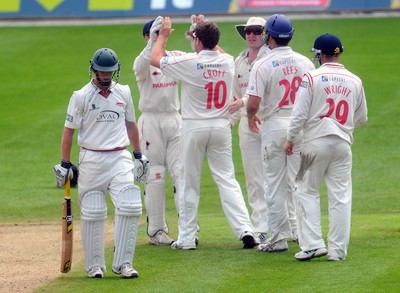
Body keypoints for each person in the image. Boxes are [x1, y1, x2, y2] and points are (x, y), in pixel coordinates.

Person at [150, 17, 257, 250]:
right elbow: (216, 50)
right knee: (227, 180)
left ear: (197, 41)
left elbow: (155, 59)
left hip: (194, 126)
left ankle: (187, 238)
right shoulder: (227, 61)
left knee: (189, 182)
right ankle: (246, 230)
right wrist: (202, 29)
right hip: (220, 127)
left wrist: (163, 36)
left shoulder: (190, 62)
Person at [53, 48, 149, 278]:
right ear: (93, 69)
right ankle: (95, 266)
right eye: (101, 72)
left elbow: (131, 125)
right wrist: (65, 163)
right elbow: (68, 133)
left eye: (109, 72)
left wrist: (138, 154)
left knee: (131, 204)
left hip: (119, 157)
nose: (105, 76)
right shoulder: (81, 96)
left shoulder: (124, 92)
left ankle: (124, 264)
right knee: (93, 209)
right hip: (92, 158)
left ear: (115, 71)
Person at [283, 33, 368, 261]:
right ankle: (338, 251)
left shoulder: (311, 77)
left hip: (314, 143)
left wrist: (291, 138)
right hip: (342, 145)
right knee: (340, 197)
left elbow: (299, 114)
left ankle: (312, 244)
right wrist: (344, 126)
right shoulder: (355, 80)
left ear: (320, 55)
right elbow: (362, 117)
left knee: (305, 190)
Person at [246, 14, 315, 253]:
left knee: (274, 184)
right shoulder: (305, 62)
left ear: (268, 37)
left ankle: (277, 238)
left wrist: (249, 115)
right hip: (299, 127)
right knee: (298, 183)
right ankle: (304, 234)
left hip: (274, 125)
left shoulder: (263, 64)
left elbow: (253, 103)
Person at [133, 16, 182, 246]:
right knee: (156, 175)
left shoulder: (174, 59)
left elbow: (202, 59)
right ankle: (156, 231)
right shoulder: (141, 61)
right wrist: (153, 42)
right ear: (146, 36)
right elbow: (142, 68)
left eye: (163, 33)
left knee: (182, 173)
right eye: (153, 33)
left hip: (174, 119)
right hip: (151, 121)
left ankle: (189, 227)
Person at [228, 16, 270, 245]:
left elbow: (263, 93)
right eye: (248, 31)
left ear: (265, 34)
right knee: (254, 178)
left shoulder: (271, 59)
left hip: (268, 120)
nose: (251, 34)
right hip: (247, 124)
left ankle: (293, 225)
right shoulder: (239, 62)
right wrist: (230, 121)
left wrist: (244, 104)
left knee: (282, 176)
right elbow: (234, 97)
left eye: (256, 30)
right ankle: (261, 228)